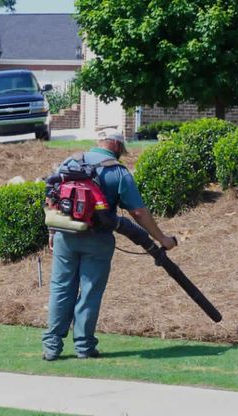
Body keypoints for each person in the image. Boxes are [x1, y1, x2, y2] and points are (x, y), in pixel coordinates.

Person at [42, 128, 176, 360]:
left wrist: (52, 231)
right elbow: (138, 212)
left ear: (99, 142)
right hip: (98, 239)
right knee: (90, 292)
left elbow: (51, 197)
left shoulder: (70, 162)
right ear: (116, 146)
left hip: (66, 235)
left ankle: (51, 347)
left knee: (60, 289)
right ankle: (84, 348)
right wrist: (161, 239)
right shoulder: (118, 172)